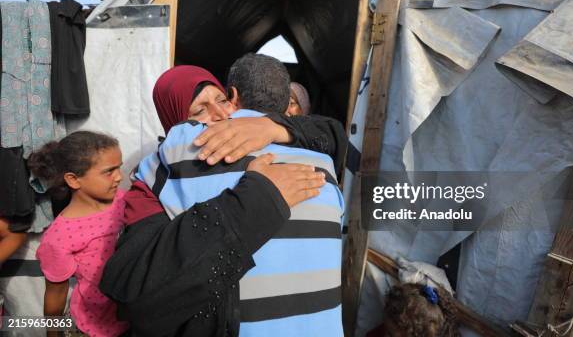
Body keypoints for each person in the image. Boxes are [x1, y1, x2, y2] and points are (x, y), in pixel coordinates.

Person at [100, 63, 347, 336]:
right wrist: (257, 199)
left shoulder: (282, 140)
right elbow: (136, 293)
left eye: (221, 100)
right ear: (175, 121)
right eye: (199, 111)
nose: (219, 115)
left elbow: (332, 133)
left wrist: (272, 126)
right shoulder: (160, 174)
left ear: (234, 98)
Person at [30, 131, 129, 337]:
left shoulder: (126, 201)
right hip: (94, 327)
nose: (119, 177)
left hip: (133, 317)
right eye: (109, 171)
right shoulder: (59, 238)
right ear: (74, 180)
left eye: (119, 167)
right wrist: (53, 334)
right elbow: (56, 295)